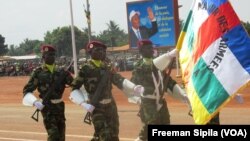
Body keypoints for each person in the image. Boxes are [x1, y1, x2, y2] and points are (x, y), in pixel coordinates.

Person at [69, 40, 144, 141]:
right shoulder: (86, 69)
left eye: (102, 50)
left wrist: (134, 87)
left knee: (113, 135)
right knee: (105, 136)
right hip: (96, 107)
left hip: (111, 106)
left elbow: (119, 80)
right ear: (90, 52)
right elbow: (74, 88)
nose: (101, 52)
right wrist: (83, 103)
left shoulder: (108, 67)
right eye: (97, 50)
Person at [130, 39, 190, 141]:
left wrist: (182, 95)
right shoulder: (139, 66)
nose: (151, 50)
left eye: (151, 48)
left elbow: (169, 83)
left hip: (161, 101)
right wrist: (168, 56)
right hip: (147, 102)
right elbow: (150, 67)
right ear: (141, 51)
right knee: (149, 129)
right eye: (147, 48)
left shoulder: (159, 66)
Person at [22, 45, 73, 141]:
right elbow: (27, 90)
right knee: (53, 135)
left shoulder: (61, 71)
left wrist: (70, 76)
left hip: (59, 106)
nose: (51, 57)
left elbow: (74, 85)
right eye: (49, 55)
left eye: (53, 55)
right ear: (43, 57)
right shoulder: (38, 72)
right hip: (47, 107)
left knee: (61, 135)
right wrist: (35, 102)